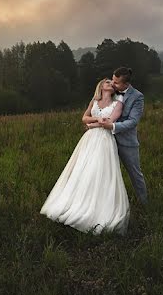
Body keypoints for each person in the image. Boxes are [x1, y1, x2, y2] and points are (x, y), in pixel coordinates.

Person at [40, 78, 130, 234]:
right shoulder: (94, 101)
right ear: (101, 86)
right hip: (88, 141)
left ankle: (97, 208)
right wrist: (95, 120)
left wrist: (91, 125)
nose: (111, 84)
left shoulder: (118, 103)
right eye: (108, 82)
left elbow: (109, 121)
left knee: (99, 171)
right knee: (82, 170)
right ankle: (76, 202)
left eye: (112, 83)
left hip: (104, 140)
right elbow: (84, 118)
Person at [95, 66, 148, 205]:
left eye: (116, 82)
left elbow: (133, 121)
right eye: (112, 80)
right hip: (106, 141)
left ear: (126, 84)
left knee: (135, 174)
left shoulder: (137, 97)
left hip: (126, 143)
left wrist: (112, 126)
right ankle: (109, 205)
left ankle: (144, 203)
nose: (112, 84)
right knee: (107, 175)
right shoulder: (111, 91)